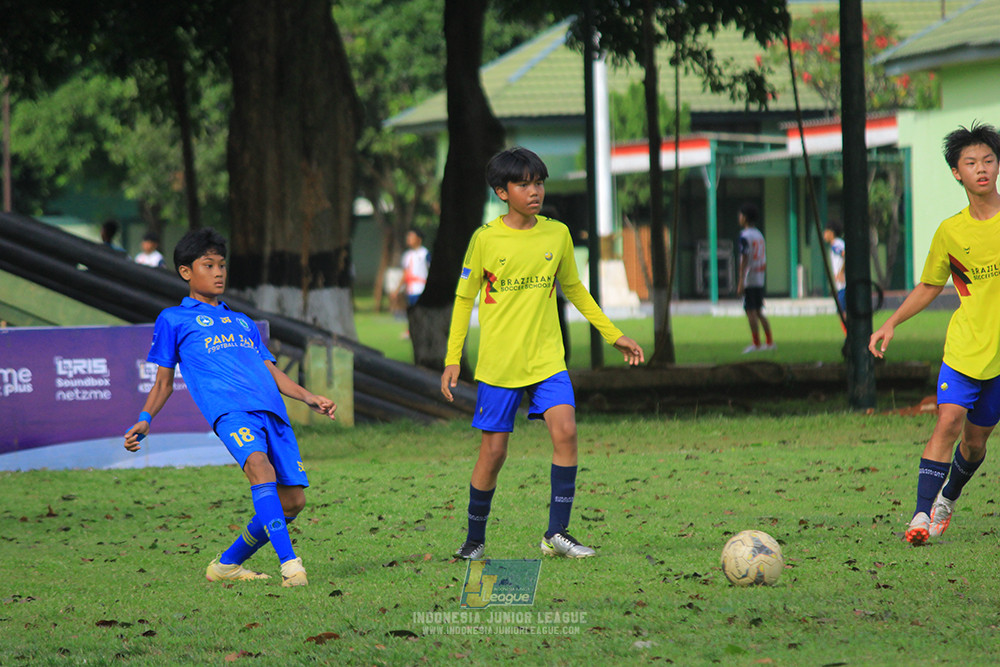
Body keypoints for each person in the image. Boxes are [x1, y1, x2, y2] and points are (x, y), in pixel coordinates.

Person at [440, 147, 645, 560]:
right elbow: (464, 300)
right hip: (500, 364)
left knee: (566, 431)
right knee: (493, 452)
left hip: (547, 360)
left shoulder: (557, 234)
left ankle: (557, 533)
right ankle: (475, 541)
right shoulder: (484, 239)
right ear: (502, 191)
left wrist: (613, 335)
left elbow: (575, 290)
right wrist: (452, 358)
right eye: (523, 184)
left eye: (539, 182)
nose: (535, 191)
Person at [124, 227, 337, 584]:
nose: (219, 272)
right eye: (208, 265)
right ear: (186, 272)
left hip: (272, 412)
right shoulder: (174, 320)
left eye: (221, 265)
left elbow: (269, 371)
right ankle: (290, 564)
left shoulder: (243, 322)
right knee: (258, 466)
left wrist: (307, 396)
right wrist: (145, 419)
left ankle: (226, 564)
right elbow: (163, 382)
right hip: (230, 412)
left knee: (293, 504)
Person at [869, 122, 1000, 546]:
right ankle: (921, 514)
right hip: (964, 348)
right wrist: (891, 322)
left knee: (975, 445)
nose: (981, 169)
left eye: (988, 160)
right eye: (971, 162)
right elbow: (929, 286)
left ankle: (948, 498)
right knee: (947, 420)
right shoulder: (950, 231)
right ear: (956, 173)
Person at [736, 203, 774, 353]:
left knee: (750, 311)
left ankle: (756, 343)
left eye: (740, 215)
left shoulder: (744, 236)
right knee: (758, 311)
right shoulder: (759, 234)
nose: (738, 218)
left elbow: (745, 258)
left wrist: (740, 280)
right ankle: (769, 341)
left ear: (744, 218)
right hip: (759, 276)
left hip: (750, 278)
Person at [397, 228, 430, 307]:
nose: (408, 239)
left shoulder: (424, 253)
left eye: (411, 237)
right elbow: (405, 274)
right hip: (411, 290)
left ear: (419, 239)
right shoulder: (407, 255)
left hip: (421, 289)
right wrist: (398, 289)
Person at [823, 220, 846, 313]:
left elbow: (846, 255)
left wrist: (841, 272)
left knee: (842, 312)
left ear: (831, 233)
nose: (824, 234)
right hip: (841, 286)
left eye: (825, 231)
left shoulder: (836, 245)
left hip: (843, 285)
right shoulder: (837, 244)